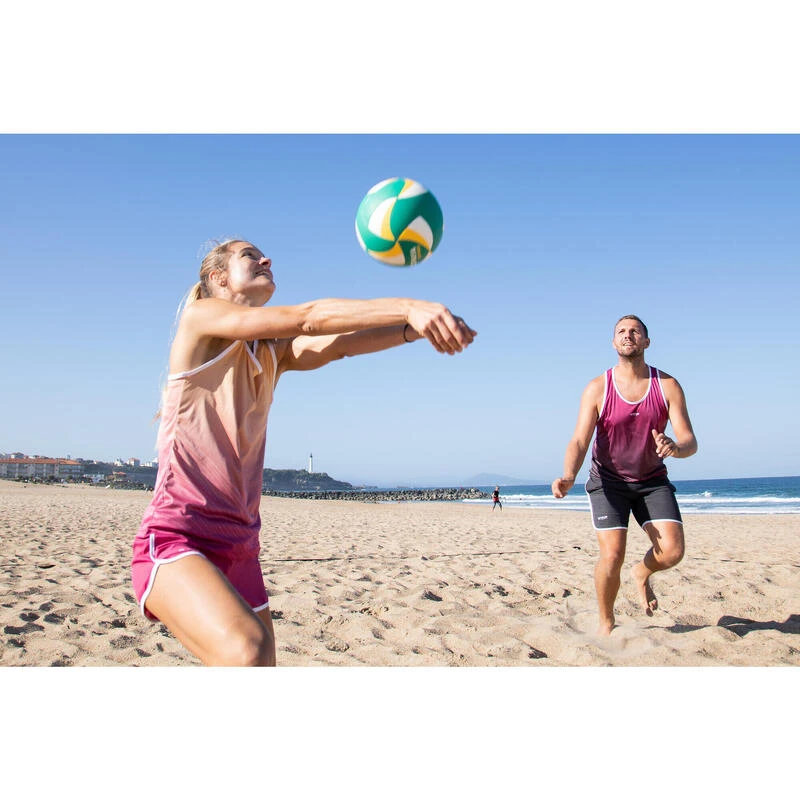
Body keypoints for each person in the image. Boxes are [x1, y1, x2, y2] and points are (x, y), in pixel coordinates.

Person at [131, 239, 477, 665]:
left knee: (259, 669)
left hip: (241, 542)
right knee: (247, 652)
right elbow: (308, 318)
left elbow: (340, 343)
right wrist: (409, 306)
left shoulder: (271, 351)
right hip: (178, 536)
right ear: (218, 279)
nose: (266, 259)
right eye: (249, 255)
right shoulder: (199, 319)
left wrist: (413, 330)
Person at [551, 315, 697, 635]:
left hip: (652, 481)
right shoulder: (597, 388)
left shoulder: (667, 386)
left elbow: (690, 441)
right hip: (608, 483)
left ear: (646, 341)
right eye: (621, 331)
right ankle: (606, 621)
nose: (628, 335)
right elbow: (579, 439)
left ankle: (642, 573)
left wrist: (675, 446)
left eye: (635, 331)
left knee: (672, 552)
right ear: (613, 342)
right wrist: (568, 474)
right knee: (612, 554)